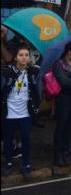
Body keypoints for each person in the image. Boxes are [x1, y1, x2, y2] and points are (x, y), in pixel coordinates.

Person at [2, 45, 40, 180]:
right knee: (8, 140)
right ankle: (8, 163)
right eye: (21, 55)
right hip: (9, 113)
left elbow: (36, 90)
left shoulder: (32, 72)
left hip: (25, 113)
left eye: (26, 55)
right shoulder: (8, 71)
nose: (24, 57)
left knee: (26, 139)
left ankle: (26, 165)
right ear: (15, 58)